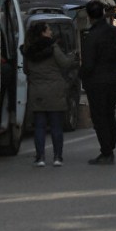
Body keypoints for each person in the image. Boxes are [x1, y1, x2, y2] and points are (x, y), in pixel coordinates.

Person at [80, 0, 116, 165]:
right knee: (109, 113)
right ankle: (110, 145)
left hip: (96, 81)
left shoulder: (92, 37)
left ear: (89, 16)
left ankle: (106, 151)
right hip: (113, 78)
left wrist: (80, 75)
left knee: (99, 116)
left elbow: (88, 64)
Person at [22, 21, 77, 167]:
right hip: (55, 90)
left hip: (37, 91)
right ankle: (57, 157)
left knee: (39, 126)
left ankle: (40, 158)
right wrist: (73, 56)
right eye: (48, 30)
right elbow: (65, 63)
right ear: (43, 32)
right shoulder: (53, 47)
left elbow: (26, 70)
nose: (51, 32)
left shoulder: (28, 50)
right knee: (56, 126)